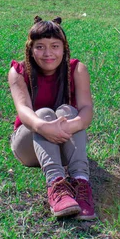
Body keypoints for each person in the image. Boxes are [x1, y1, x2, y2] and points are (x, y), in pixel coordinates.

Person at [8, 16, 96, 220]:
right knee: (43, 114)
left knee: (68, 110)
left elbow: (86, 109)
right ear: (30, 49)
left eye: (55, 46)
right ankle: (56, 186)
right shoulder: (18, 72)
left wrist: (72, 124)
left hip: (64, 144)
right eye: (40, 47)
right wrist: (44, 127)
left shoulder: (77, 69)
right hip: (28, 146)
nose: (48, 53)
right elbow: (24, 111)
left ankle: (81, 183)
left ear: (64, 48)